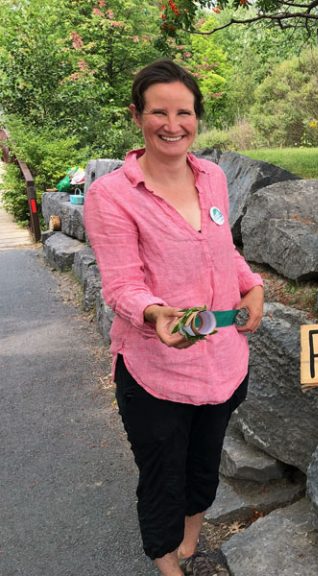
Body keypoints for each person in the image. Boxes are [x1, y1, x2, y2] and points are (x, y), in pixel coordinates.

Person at [84, 59, 264, 576]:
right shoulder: (111, 195)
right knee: (162, 474)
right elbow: (120, 283)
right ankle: (167, 564)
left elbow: (223, 250)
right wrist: (156, 313)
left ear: (197, 118)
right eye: (158, 111)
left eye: (184, 112)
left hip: (223, 361)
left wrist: (252, 285)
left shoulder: (211, 177)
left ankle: (189, 543)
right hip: (154, 369)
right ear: (137, 116)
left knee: (203, 467)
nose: (172, 124)